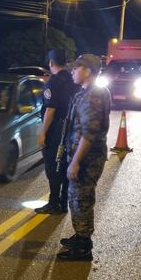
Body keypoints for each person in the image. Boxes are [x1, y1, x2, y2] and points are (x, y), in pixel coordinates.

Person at [57, 54, 111, 261]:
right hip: (84, 155)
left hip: (87, 159)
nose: (72, 71)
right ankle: (80, 236)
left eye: (76, 68)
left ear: (87, 71)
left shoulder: (92, 96)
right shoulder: (88, 92)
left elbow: (89, 133)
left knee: (81, 200)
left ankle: (83, 247)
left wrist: (76, 162)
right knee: (78, 199)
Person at [35, 50, 78, 214]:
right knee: (65, 164)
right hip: (71, 128)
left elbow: (50, 109)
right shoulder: (72, 79)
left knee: (52, 166)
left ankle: (54, 203)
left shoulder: (52, 82)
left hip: (56, 130)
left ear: (51, 63)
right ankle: (63, 202)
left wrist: (43, 132)